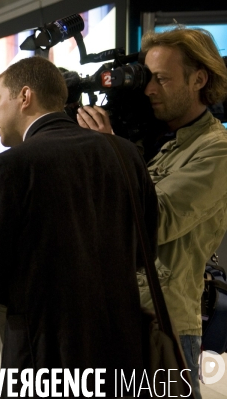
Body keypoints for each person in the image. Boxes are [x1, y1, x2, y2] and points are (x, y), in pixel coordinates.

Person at [0, 57, 158, 397]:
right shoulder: (124, 152)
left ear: (24, 96)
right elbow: (144, 249)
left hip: (44, 350)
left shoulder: (12, 164)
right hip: (120, 346)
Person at [76, 27, 227, 398]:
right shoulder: (153, 139)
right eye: (147, 77)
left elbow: (152, 221)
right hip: (115, 317)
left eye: (161, 79)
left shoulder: (215, 150)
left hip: (164, 327)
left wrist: (112, 152)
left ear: (198, 79)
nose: (148, 89)